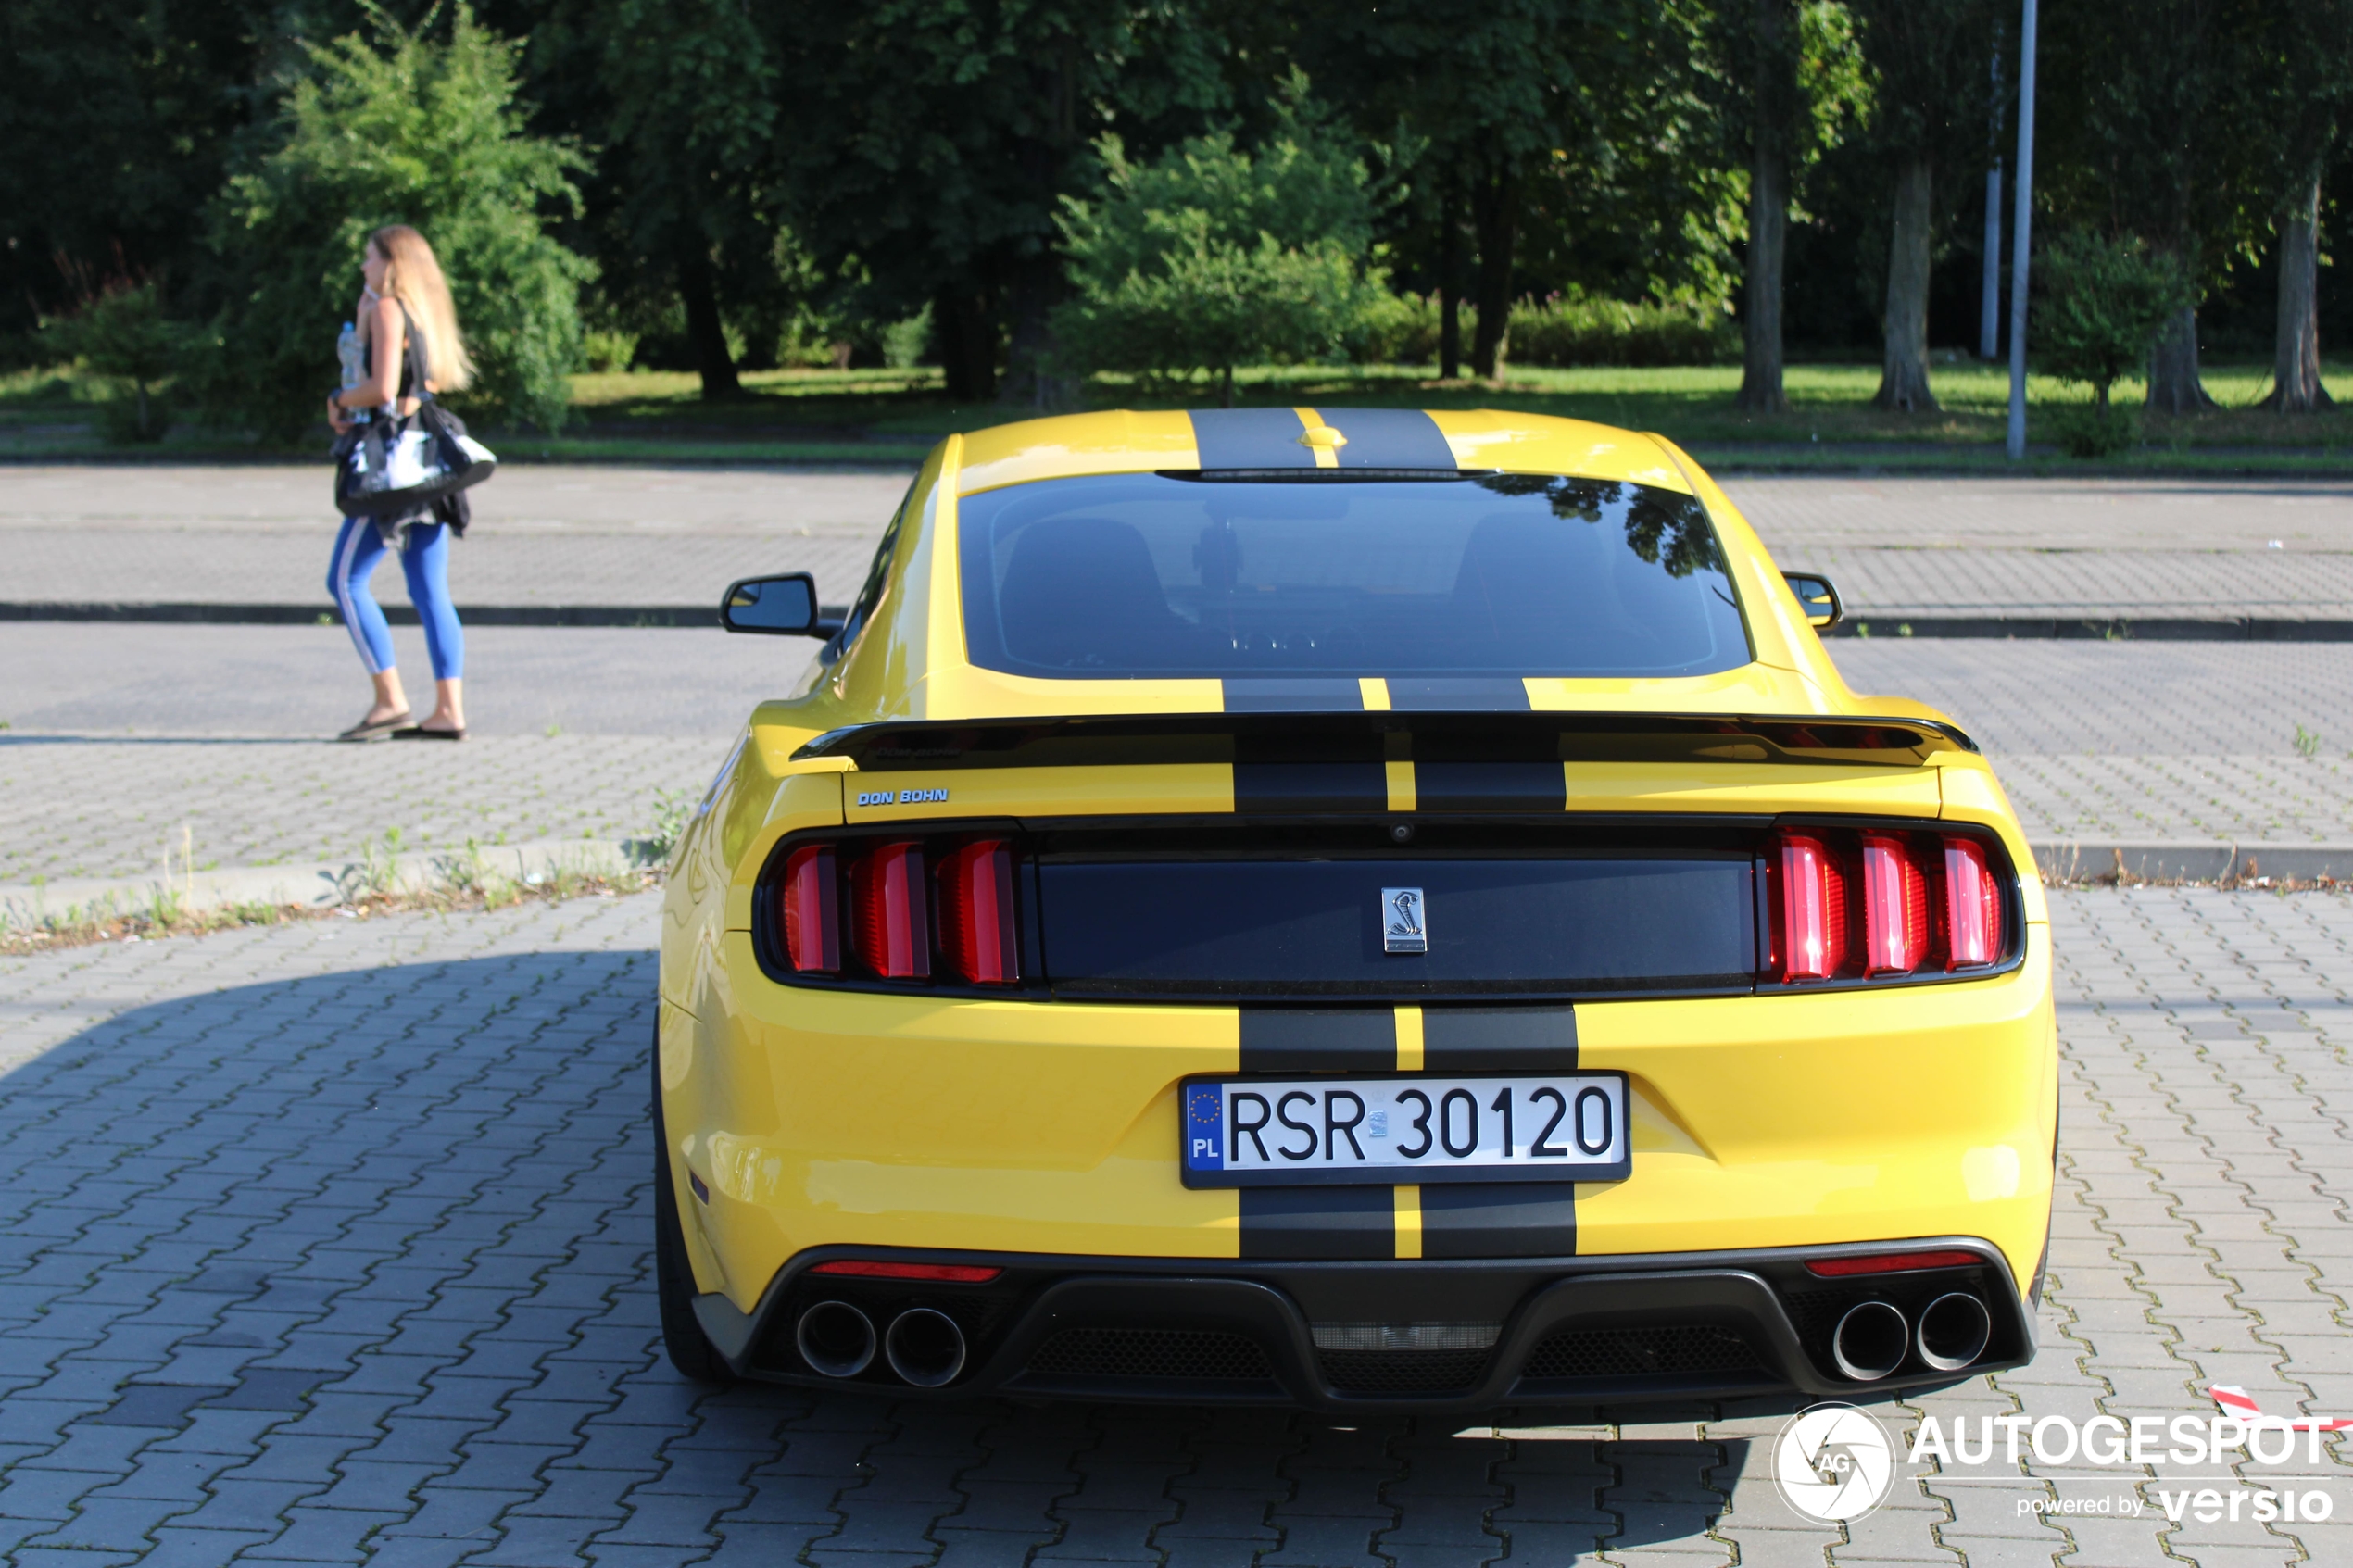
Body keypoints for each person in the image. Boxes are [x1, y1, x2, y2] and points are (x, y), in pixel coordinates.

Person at [325, 224, 472, 741]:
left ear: (391, 264)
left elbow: (382, 388)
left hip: (393, 469)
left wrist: (339, 401)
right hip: (429, 463)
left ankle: (390, 700)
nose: (363, 268)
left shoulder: (388, 310)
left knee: (344, 581)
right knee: (431, 592)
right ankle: (449, 710)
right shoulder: (424, 311)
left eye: (369, 259)